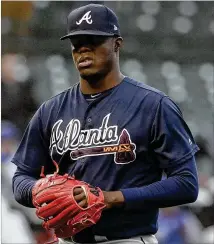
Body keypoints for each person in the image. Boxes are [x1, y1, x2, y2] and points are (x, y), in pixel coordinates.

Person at [12, 3, 199, 244]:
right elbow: (21, 178)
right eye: (77, 43)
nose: (84, 50)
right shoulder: (51, 110)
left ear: (117, 43)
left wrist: (111, 198)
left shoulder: (154, 106)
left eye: (94, 41)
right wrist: (39, 190)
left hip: (128, 239)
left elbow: (186, 183)